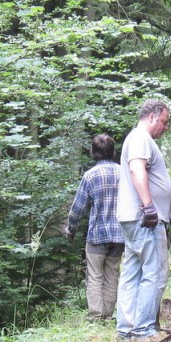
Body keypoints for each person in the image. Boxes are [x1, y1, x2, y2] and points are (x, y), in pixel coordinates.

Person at [115, 98, 171, 339]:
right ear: (152, 117)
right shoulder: (140, 137)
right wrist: (149, 207)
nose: (166, 127)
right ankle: (143, 328)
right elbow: (136, 169)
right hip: (146, 218)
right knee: (154, 272)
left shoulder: (136, 137)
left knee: (132, 272)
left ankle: (126, 327)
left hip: (131, 218)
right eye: (164, 121)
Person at [63, 134, 124, 321]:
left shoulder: (90, 175)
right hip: (120, 234)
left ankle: (96, 316)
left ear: (93, 152)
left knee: (95, 276)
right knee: (112, 274)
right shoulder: (124, 172)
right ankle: (107, 315)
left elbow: (78, 208)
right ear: (113, 152)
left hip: (97, 235)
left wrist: (71, 230)